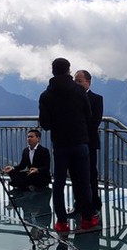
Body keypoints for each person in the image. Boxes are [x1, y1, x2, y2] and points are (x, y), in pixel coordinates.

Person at [39, 58, 99, 233]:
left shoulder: (46, 95)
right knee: (84, 181)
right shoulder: (79, 91)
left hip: (60, 145)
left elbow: (45, 124)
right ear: (68, 71)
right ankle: (87, 219)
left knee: (58, 183)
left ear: (53, 71)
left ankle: (62, 222)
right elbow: (88, 114)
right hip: (80, 142)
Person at [74, 70, 103, 212]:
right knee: (76, 175)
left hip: (89, 142)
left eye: (79, 81)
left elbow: (95, 122)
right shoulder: (71, 98)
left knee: (91, 173)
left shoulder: (97, 99)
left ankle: (94, 203)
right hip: (74, 143)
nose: (76, 83)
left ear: (88, 82)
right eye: (75, 81)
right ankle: (78, 204)